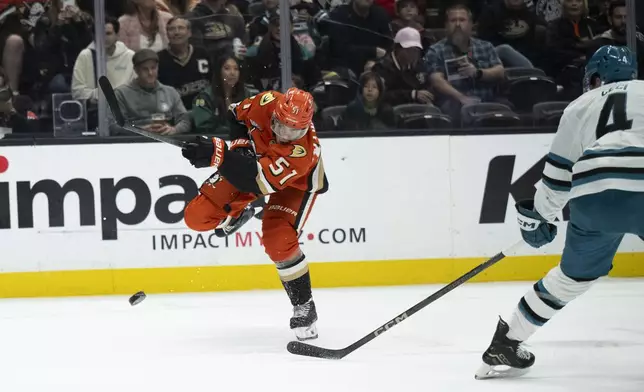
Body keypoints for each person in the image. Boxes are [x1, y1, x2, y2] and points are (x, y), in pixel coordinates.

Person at [475, 45, 644, 380]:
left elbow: (556, 179)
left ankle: (506, 342)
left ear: (595, 77)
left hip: (593, 195)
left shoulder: (579, 106)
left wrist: (542, 216)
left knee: (572, 277)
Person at [180, 87, 329, 341]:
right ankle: (236, 214)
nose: (286, 135)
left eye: (295, 131)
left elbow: (255, 182)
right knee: (197, 216)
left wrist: (218, 154)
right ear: (276, 113)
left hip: (295, 184)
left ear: (306, 127)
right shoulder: (266, 101)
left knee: (278, 239)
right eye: (282, 126)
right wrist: (239, 149)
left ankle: (304, 305)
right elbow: (235, 115)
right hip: (254, 167)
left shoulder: (302, 154)